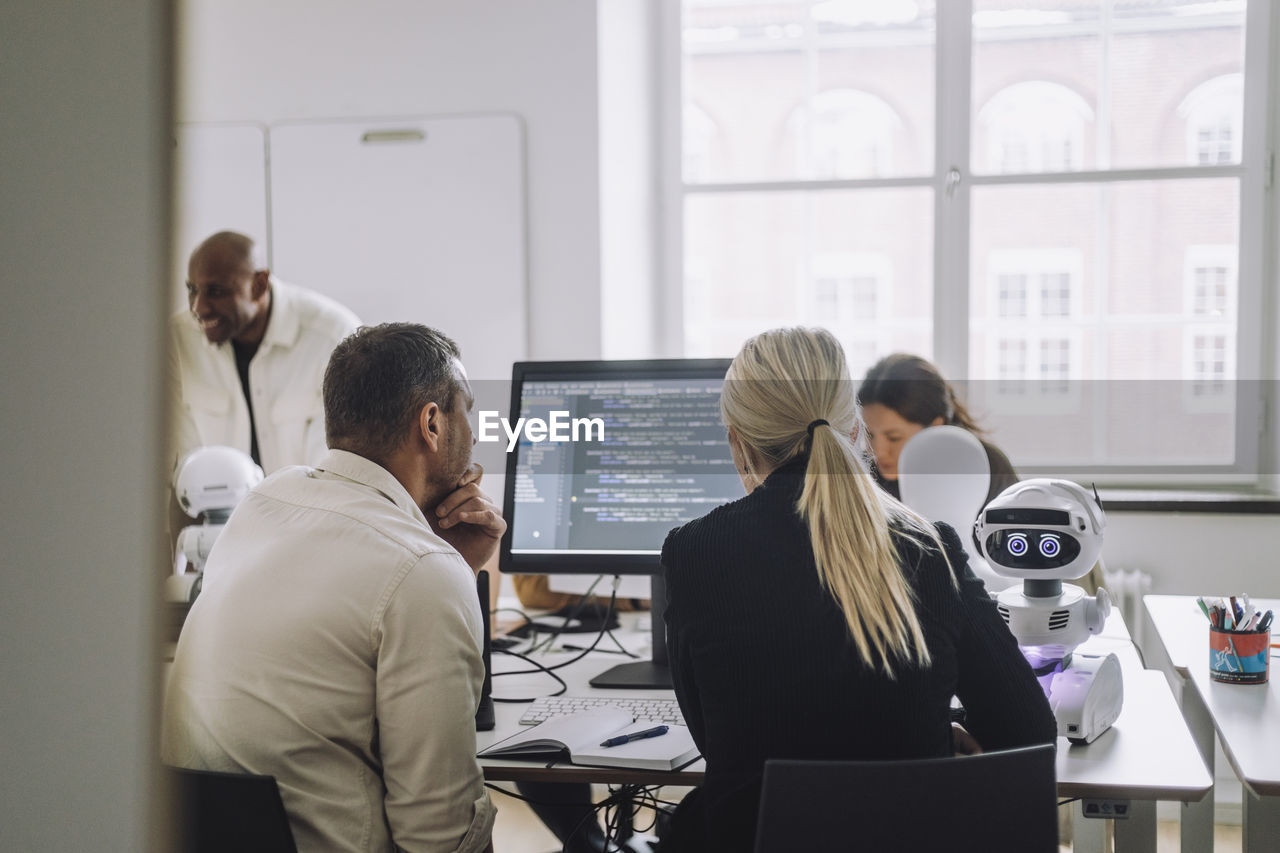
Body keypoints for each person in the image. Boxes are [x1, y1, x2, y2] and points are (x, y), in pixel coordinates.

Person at [659, 328, 1057, 852]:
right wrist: (933, 741)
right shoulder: (929, 547)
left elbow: (717, 743)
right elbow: (1028, 731)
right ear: (854, 427)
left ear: (738, 439)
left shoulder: (692, 552)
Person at [162, 323, 499, 853]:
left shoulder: (264, 501)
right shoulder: (421, 572)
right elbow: (439, 838)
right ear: (431, 423)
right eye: (468, 412)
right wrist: (444, 570)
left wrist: (449, 564)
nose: (475, 435)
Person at [169, 230, 360, 474]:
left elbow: (338, 468)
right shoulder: (177, 341)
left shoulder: (333, 337)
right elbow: (178, 463)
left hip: (308, 509)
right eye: (192, 290)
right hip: (212, 510)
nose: (199, 307)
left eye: (216, 292)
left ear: (259, 285)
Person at [857, 352, 1018, 508]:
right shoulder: (862, 475)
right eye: (870, 435)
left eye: (894, 438)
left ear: (935, 427)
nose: (878, 452)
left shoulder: (987, 467)